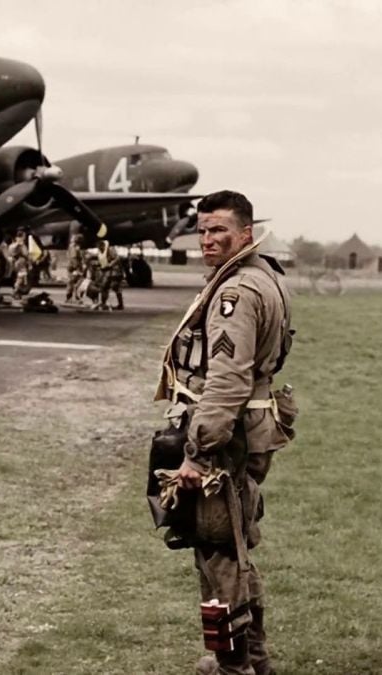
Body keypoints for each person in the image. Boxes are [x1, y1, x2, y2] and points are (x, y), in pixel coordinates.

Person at [151, 190, 295, 675]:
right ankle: (252, 658)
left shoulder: (236, 292)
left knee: (218, 556)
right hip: (247, 432)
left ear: (245, 234)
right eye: (204, 230)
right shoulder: (263, 276)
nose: (208, 240)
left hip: (224, 441)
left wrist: (198, 453)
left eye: (220, 232)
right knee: (230, 548)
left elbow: (228, 381)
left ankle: (235, 667)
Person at [96, 241, 125, 311]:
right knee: (104, 287)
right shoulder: (101, 252)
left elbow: (117, 258)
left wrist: (110, 264)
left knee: (116, 287)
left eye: (100, 248)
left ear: (103, 246)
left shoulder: (110, 249)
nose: (99, 249)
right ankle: (103, 303)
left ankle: (120, 305)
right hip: (108, 272)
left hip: (115, 272)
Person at [65, 233, 87, 305]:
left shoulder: (73, 247)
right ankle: (74, 298)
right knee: (77, 282)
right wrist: (78, 269)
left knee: (74, 283)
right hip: (74, 267)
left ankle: (71, 298)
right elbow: (74, 258)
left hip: (73, 266)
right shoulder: (74, 247)